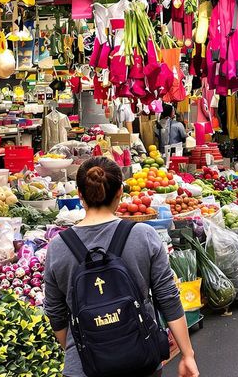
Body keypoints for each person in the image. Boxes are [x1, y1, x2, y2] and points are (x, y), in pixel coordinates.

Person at [43, 157, 199, 377]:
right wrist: (188, 355)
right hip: (140, 359)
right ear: (120, 192)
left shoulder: (58, 247)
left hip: (85, 368)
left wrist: (82, 350)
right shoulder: (143, 235)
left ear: (79, 195)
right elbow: (168, 298)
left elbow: (55, 313)